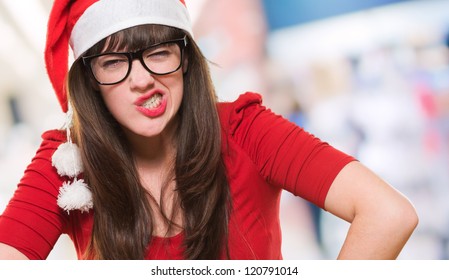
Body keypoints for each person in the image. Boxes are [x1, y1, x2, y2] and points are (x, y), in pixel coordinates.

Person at [0, 0, 418, 260]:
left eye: (158, 53)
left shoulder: (245, 129)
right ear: (90, 81)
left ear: (186, 60)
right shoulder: (66, 162)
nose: (142, 79)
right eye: (114, 63)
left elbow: (388, 214)